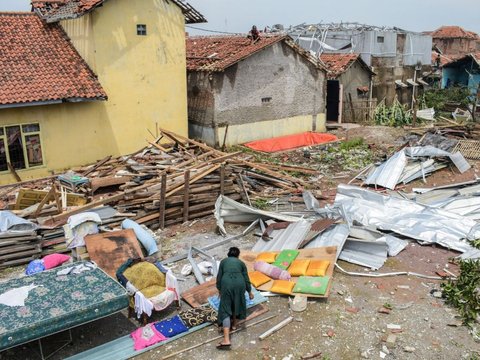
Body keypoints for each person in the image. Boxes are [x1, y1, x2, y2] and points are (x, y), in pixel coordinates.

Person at [216, 247, 253, 350]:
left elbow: (219, 277)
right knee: (237, 303)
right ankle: (234, 325)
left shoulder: (223, 262)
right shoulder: (241, 263)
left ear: (228, 254)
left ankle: (226, 340)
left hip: (226, 283)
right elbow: (246, 278)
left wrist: (219, 289)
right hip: (240, 284)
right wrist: (249, 291)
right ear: (238, 255)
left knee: (225, 309)